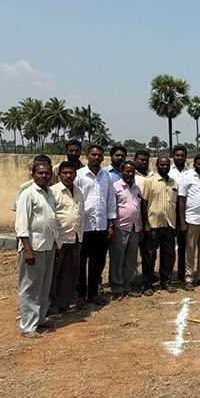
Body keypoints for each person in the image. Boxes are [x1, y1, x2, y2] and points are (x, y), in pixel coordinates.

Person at [15, 161, 58, 338]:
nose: (44, 176)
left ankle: (40, 318)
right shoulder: (27, 194)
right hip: (33, 247)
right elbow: (21, 224)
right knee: (30, 286)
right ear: (33, 175)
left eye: (47, 173)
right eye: (40, 173)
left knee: (44, 286)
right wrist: (28, 249)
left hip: (48, 245)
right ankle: (27, 326)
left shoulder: (50, 194)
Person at [75, 144, 117, 306]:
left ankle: (93, 293)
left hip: (100, 226)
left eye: (99, 155)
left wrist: (110, 225)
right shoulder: (79, 175)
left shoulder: (107, 176)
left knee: (97, 262)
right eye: (93, 155)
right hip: (83, 227)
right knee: (81, 262)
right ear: (87, 156)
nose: (96, 158)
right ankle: (80, 295)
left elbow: (110, 201)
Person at [48, 161, 84, 316]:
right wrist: (55, 241)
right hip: (59, 240)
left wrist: (80, 237)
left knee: (70, 274)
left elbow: (80, 215)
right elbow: (50, 218)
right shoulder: (53, 192)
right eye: (65, 173)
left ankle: (65, 304)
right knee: (54, 275)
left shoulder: (79, 191)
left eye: (71, 173)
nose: (68, 176)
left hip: (74, 238)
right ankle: (52, 307)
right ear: (60, 174)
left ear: (75, 174)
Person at [141, 157, 179, 295]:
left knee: (168, 256)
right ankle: (147, 285)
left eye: (167, 165)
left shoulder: (174, 183)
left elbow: (176, 205)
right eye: (162, 164)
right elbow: (144, 203)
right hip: (153, 224)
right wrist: (146, 224)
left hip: (169, 224)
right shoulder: (149, 182)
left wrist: (177, 224)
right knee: (149, 256)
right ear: (156, 165)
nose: (164, 167)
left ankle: (166, 282)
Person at [109, 161, 144, 299]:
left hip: (134, 228)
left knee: (131, 260)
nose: (130, 174)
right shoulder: (115, 187)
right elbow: (111, 208)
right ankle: (117, 288)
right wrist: (111, 227)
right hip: (120, 227)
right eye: (127, 171)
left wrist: (140, 227)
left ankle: (127, 286)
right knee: (117, 259)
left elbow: (138, 209)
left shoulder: (136, 188)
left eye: (132, 171)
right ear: (121, 172)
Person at [179, 154, 200, 291]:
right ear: (194, 165)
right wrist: (182, 222)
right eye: (199, 164)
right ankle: (188, 278)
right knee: (190, 250)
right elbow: (181, 202)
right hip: (192, 218)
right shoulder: (186, 178)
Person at [168, 145, 192, 283]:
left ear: (186, 157)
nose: (180, 158)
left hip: (184, 213)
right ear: (173, 157)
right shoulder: (168, 171)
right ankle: (168, 274)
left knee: (183, 245)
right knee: (169, 246)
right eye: (177, 155)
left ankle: (182, 273)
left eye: (182, 155)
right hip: (170, 212)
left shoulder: (191, 173)